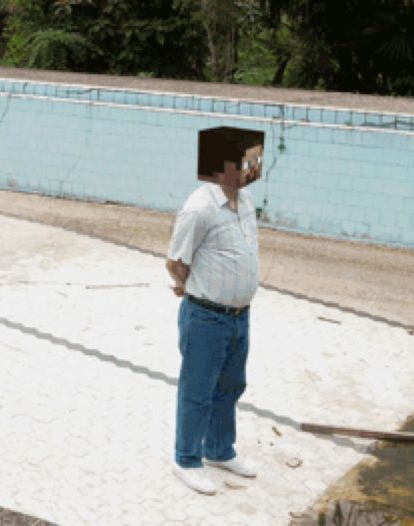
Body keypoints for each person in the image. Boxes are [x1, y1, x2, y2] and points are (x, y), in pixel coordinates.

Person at [165, 127, 264, 495]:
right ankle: (186, 458)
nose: (254, 166)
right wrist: (187, 286)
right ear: (222, 166)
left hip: (240, 315)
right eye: (247, 161)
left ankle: (220, 449)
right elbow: (176, 260)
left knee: (231, 384)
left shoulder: (246, 199)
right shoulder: (199, 208)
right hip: (207, 316)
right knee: (198, 390)